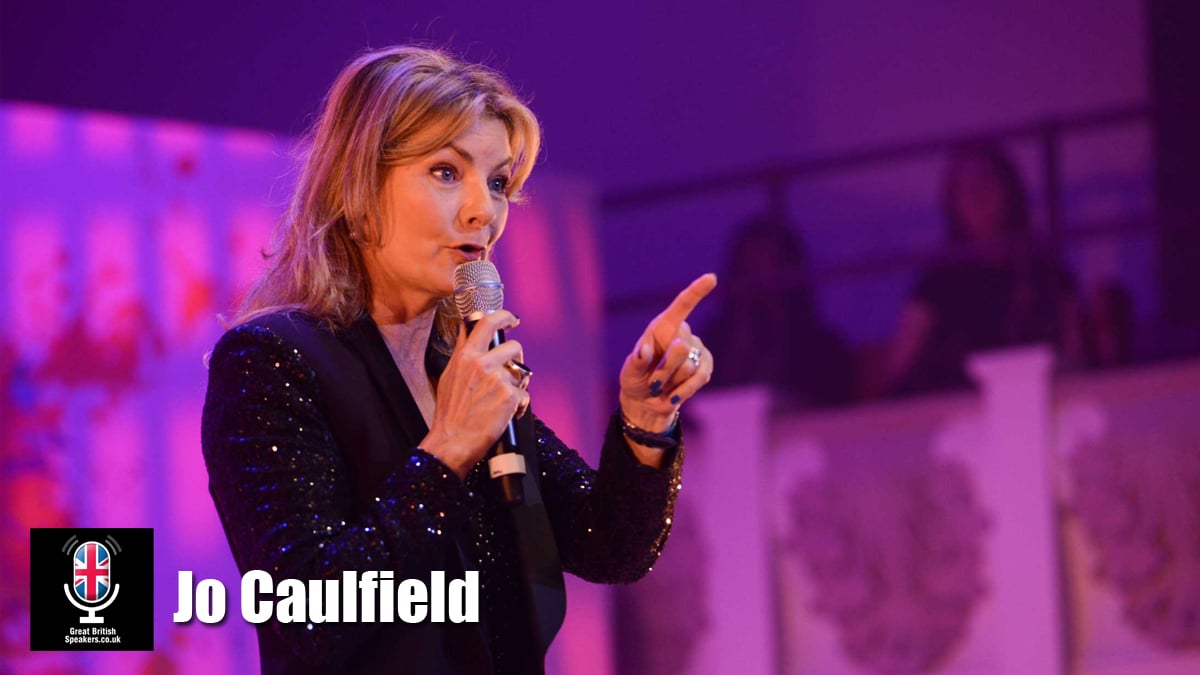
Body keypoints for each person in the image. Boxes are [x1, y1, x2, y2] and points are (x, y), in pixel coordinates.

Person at [200, 45, 716, 675]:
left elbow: (609, 547)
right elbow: (310, 615)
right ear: (359, 187)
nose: (484, 211)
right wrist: (446, 451)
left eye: (497, 183)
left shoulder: (467, 368)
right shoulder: (272, 361)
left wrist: (645, 419)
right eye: (446, 172)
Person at [887, 141, 1081, 395]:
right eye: (966, 188)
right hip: (955, 402)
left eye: (987, 182)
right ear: (953, 201)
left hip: (1033, 396)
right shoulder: (938, 277)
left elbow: (1073, 352)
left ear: (1009, 191)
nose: (978, 196)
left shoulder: (1044, 268)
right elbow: (901, 363)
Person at [703, 213, 855, 406]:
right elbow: (696, 406)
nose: (758, 284)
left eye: (767, 270)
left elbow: (834, 406)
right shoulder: (714, 344)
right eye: (749, 271)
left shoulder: (823, 347)